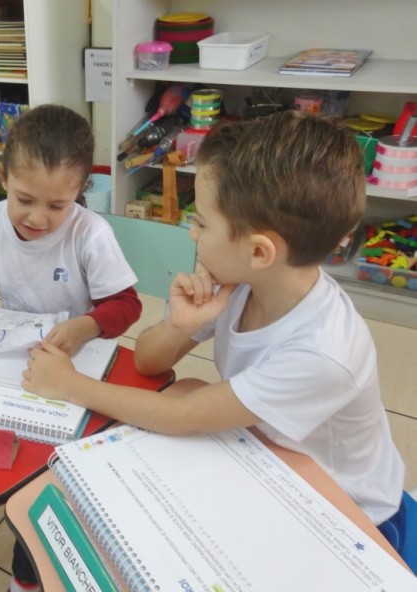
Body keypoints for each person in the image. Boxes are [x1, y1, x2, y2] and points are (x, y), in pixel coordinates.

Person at [24, 110, 408, 555]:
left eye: (202, 222)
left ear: (259, 251)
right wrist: (179, 324)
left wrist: (69, 385)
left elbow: (184, 417)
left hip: (349, 514)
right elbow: (149, 362)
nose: (191, 234)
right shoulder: (245, 282)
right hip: (273, 455)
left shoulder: (323, 353)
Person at [0, 104, 143, 592]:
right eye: (24, 199)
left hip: (67, 369)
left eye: (57, 206)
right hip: (5, 358)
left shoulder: (91, 234)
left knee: (37, 476)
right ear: (2, 179)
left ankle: (25, 575)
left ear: (79, 192)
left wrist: (86, 326)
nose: (37, 218)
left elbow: (126, 304)